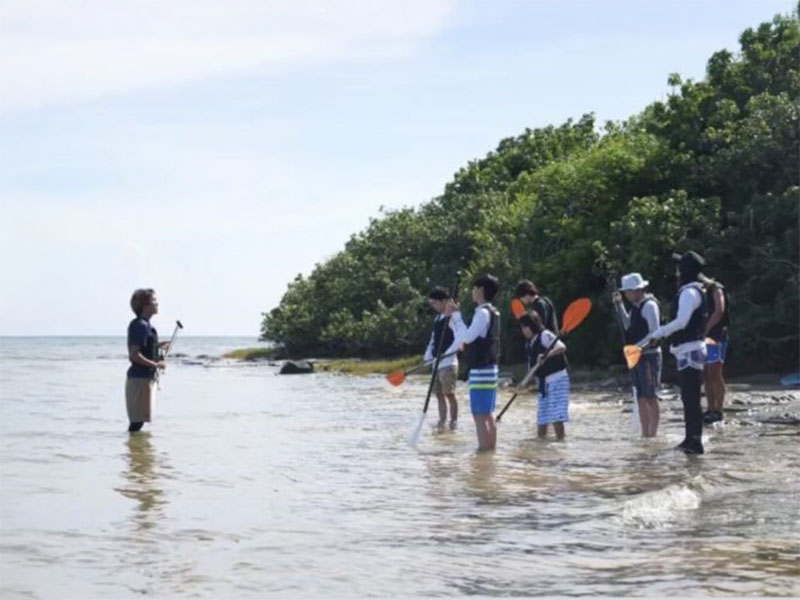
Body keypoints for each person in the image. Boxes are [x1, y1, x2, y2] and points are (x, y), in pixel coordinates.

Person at [646, 252, 708, 454]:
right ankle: (690, 438)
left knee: (691, 399)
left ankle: (694, 441)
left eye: (679, 268)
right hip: (689, 350)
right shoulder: (694, 291)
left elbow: (682, 321)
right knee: (689, 398)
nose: (676, 272)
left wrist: (659, 333)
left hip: (690, 350)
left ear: (684, 271)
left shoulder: (689, 293)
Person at [445, 275, 501, 451]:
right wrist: (454, 318)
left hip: (482, 370)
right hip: (488, 368)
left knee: (480, 414)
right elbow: (463, 335)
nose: (472, 292)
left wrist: (457, 315)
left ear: (481, 291)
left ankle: (484, 451)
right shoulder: (492, 311)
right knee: (487, 413)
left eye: (474, 288)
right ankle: (489, 452)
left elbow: (467, 337)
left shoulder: (483, 313)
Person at [613, 272, 662, 437]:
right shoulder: (634, 307)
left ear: (638, 290)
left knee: (650, 395)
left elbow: (655, 333)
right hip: (636, 356)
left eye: (628, 292)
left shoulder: (649, 305)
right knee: (640, 395)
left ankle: (653, 433)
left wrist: (638, 347)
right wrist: (619, 305)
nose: (627, 295)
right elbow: (627, 325)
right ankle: (645, 432)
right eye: (625, 292)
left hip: (649, 355)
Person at [519, 312, 569, 440]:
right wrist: (524, 383)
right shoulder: (528, 343)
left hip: (557, 379)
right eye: (522, 328)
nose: (523, 330)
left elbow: (561, 347)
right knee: (542, 419)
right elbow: (532, 368)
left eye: (525, 327)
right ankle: (542, 447)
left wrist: (546, 355)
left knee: (556, 417)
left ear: (532, 325)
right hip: (543, 383)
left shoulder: (545, 335)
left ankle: (561, 443)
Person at [126, 289, 168, 433]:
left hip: (145, 379)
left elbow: (144, 349)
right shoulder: (140, 325)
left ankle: (138, 453)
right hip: (139, 379)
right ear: (146, 304)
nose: (158, 303)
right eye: (154, 300)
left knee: (140, 422)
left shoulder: (146, 325)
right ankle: (132, 453)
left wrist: (157, 346)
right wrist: (156, 364)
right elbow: (134, 355)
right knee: (137, 423)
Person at [424, 287, 461, 432]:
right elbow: (433, 340)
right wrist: (427, 357)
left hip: (448, 363)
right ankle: (442, 421)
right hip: (436, 364)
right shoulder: (437, 319)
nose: (433, 306)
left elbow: (459, 339)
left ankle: (453, 422)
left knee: (449, 393)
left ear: (444, 301)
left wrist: (447, 353)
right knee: (439, 394)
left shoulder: (453, 317)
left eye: (434, 303)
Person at [699, 273, 729, 425]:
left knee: (715, 372)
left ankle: (718, 409)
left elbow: (719, 311)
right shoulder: (701, 293)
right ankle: (710, 408)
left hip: (717, 336)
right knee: (706, 374)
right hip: (705, 338)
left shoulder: (717, 289)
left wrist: (706, 329)